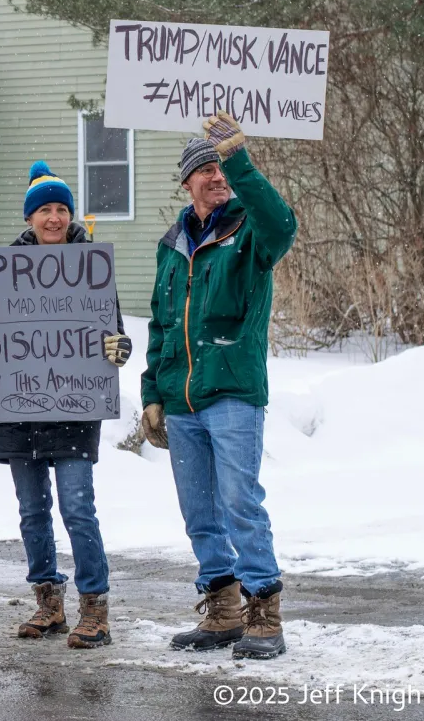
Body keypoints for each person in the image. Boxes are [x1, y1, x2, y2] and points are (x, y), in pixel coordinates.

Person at [140, 112, 297, 660]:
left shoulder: (249, 231)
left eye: (218, 167)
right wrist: (151, 395)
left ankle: (263, 608)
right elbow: (161, 326)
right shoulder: (170, 246)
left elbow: (283, 224)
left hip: (232, 391)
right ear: (186, 182)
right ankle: (223, 610)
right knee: (199, 510)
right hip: (182, 400)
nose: (215, 176)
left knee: (239, 501)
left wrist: (238, 157)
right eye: (204, 168)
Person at [0, 161, 131, 649]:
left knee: (76, 507)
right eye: (44, 209)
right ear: (29, 217)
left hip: (73, 405)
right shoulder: (3, 269)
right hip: (18, 411)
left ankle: (95, 607)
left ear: (71, 217)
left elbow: (114, 333)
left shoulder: (92, 269)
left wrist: (118, 349)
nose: (53, 218)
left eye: (61, 209)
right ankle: (48, 603)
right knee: (31, 511)